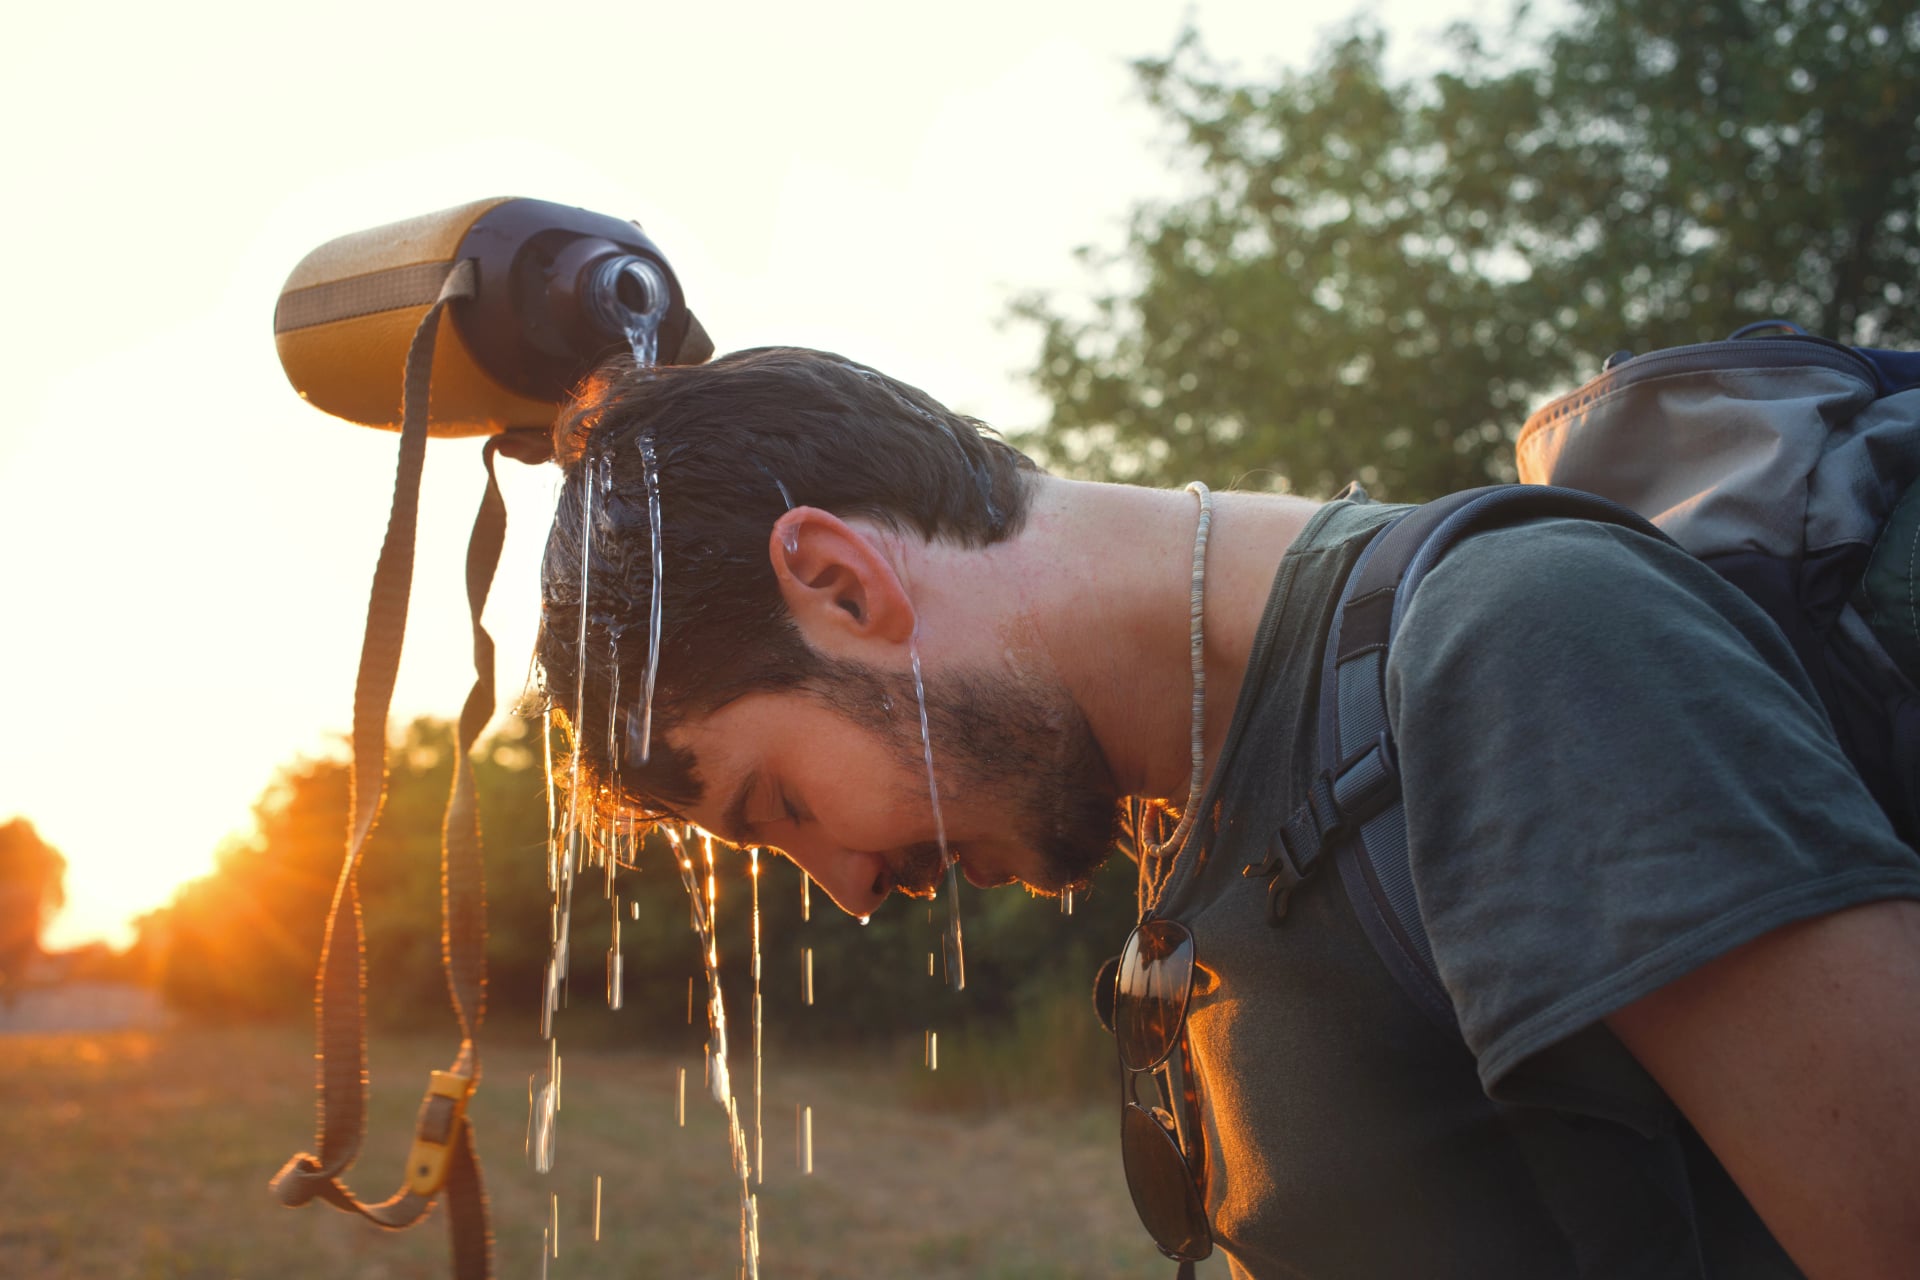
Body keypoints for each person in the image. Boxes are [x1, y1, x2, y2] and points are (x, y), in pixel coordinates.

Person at [535, 345, 1920, 1279]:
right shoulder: (1192, 818)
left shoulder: (1516, 646)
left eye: (779, 803)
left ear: (839, 580)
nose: (845, 887)